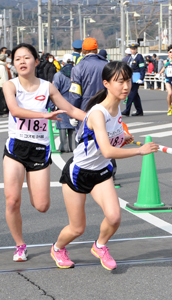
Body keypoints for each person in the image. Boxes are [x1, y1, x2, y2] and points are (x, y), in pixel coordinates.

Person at [50, 61, 159, 270]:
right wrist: (139, 150)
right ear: (106, 83)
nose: (126, 86)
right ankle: (57, 248)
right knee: (77, 228)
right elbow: (107, 151)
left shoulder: (117, 108)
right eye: (120, 81)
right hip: (78, 173)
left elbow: (107, 145)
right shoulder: (98, 113)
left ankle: (100, 246)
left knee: (114, 216)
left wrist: (122, 138)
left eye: (128, 80)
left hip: (101, 172)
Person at [2, 43, 86, 262]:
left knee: (42, 205)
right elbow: (14, 110)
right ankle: (20, 245)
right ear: (13, 63)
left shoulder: (47, 87)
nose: (22, 61)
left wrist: (97, 119)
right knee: (12, 201)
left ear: (36, 62)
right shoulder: (10, 85)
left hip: (40, 150)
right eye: (17, 58)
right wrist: (44, 116)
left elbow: (70, 109)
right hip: (16, 148)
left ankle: (33, 188)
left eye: (27, 58)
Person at [69, 37, 108, 114]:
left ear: (83, 51)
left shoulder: (78, 67)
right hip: (105, 106)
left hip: (85, 107)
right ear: (96, 50)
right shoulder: (107, 65)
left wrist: (73, 113)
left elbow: (75, 94)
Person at [52, 54, 77, 152]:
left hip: (61, 102)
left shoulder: (58, 75)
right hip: (74, 101)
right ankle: (73, 146)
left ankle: (64, 146)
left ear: (63, 63)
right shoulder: (77, 73)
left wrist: (52, 105)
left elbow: (54, 91)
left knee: (62, 125)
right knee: (73, 125)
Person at [122, 43, 146, 116]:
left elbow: (142, 68)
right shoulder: (131, 57)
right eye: (131, 49)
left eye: (134, 49)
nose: (133, 50)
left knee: (131, 93)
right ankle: (139, 111)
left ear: (136, 49)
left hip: (136, 77)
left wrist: (141, 78)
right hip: (131, 77)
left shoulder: (139, 57)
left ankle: (127, 110)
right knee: (135, 96)